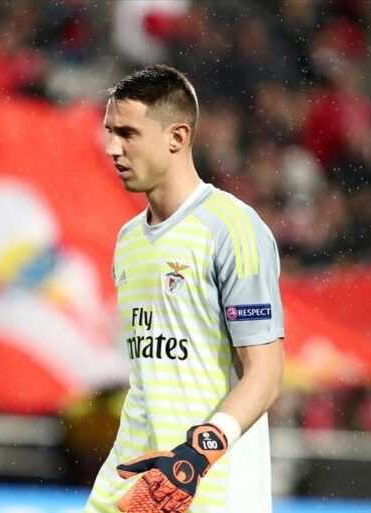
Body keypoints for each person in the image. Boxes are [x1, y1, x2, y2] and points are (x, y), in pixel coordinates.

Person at [84, 64, 285, 513]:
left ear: (176, 137)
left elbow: (266, 374)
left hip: (205, 484)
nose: (112, 148)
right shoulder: (129, 241)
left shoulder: (232, 229)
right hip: (131, 481)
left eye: (128, 134)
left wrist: (195, 457)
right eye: (109, 132)